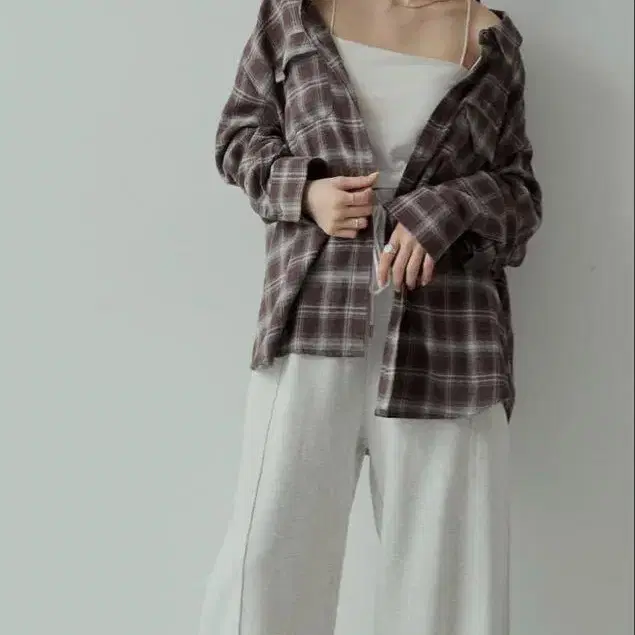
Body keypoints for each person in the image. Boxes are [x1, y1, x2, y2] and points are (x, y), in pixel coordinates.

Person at [199, 0, 542, 633]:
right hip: (313, 319)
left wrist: (448, 210)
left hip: (451, 344)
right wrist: (306, 192)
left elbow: (521, 197)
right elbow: (237, 137)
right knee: (267, 562)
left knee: (447, 584)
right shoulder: (294, 14)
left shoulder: (490, 39)